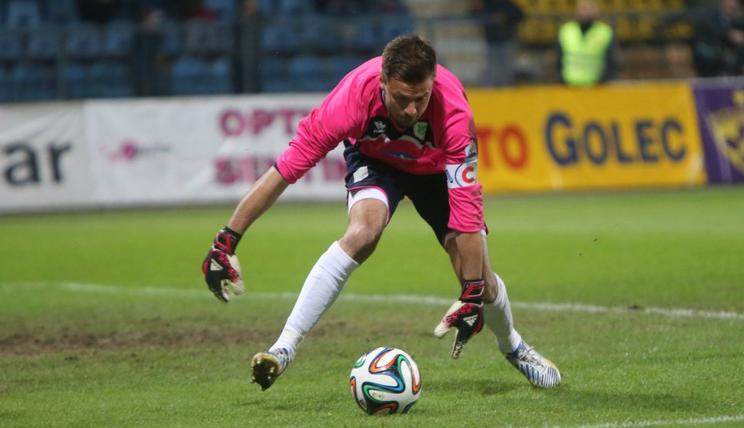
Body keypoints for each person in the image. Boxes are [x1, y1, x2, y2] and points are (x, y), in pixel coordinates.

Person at [201, 34, 561, 392]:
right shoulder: (350, 100)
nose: (411, 111)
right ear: (382, 82)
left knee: (481, 276)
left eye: (420, 100)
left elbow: (466, 207)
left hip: (435, 173)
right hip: (376, 161)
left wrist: (471, 291)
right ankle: (284, 347)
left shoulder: (453, 112)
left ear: (433, 83)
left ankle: (513, 346)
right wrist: (227, 239)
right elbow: (284, 172)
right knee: (362, 233)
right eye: (402, 99)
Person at [557, 0, 615, 86]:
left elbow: (611, 60)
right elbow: (558, 58)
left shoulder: (605, 32)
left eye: (590, 8)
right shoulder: (566, 30)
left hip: (596, 86)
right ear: (577, 10)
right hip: (569, 84)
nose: (586, 12)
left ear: (596, 11)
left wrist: (603, 81)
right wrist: (561, 79)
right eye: (583, 8)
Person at [469, 0, 525, 87]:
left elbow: (519, 15)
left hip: (506, 41)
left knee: (506, 70)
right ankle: (493, 92)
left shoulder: (504, 3)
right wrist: (476, 9)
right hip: (491, 42)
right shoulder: (486, 4)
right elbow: (473, 15)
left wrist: (504, 17)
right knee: (492, 69)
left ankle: (507, 91)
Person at [691, 0, 744, 77]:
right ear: (722, 2)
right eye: (729, 1)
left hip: (732, 58)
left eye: (735, 2)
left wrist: (743, 39)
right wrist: (728, 34)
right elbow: (708, 32)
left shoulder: (741, 21)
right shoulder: (709, 16)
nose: (731, 4)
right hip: (711, 56)